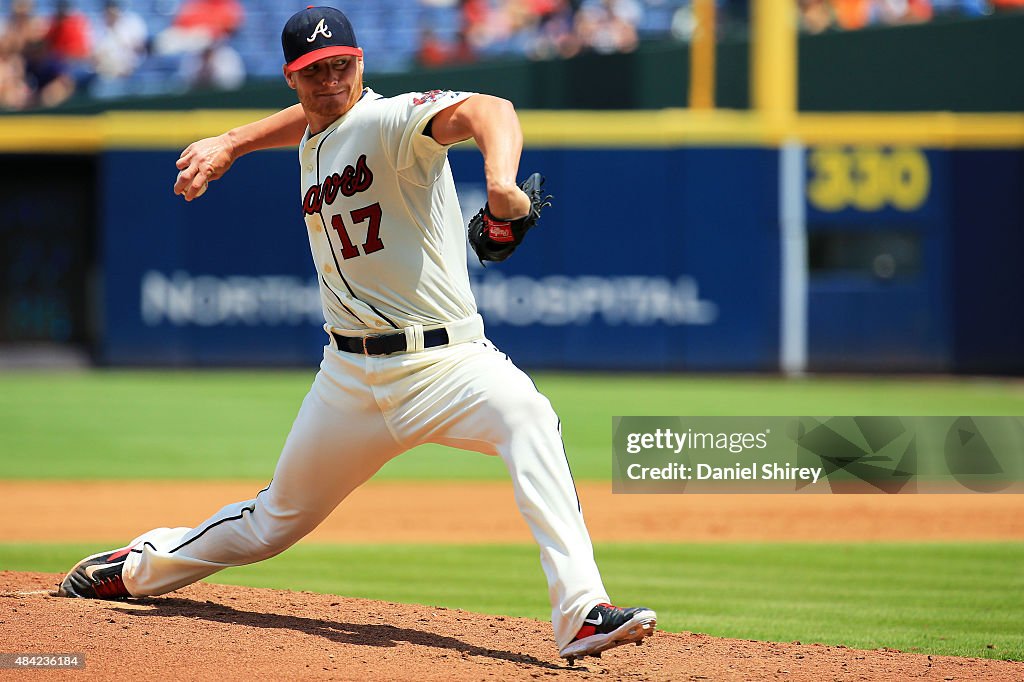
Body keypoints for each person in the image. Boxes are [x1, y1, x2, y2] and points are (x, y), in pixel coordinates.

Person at [56, 5, 656, 665]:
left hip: (448, 365)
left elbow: (494, 108)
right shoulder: (318, 130)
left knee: (530, 418)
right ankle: (138, 567)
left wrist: (500, 182)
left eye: (342, 65)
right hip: (347, 380)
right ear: (291, 76)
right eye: (314, 71)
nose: (331, 80)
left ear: (362, 62)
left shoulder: (392, 119)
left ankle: (580, 613)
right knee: (269, 525)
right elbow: (311, 122)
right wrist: (232, 142)